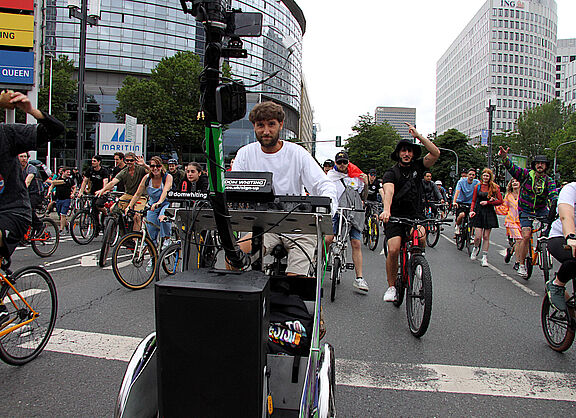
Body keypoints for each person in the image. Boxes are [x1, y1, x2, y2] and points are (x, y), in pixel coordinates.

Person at [232, 101, 337, 276]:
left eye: (271, 124)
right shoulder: (245, 153)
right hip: (262, 225)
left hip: (297, 226)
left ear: (280, 125)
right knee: (233, 258)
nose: (266, 131)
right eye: (260, 125)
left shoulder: (297, 153)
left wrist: (327, 211)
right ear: (254, 127)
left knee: (294, 280)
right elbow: (235, 189)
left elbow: (322, 184)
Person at [0, 91, 64, 324]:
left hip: (12, 211)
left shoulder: (6, 134)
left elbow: (55, 130)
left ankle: (1, 309)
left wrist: (30, 111)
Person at [380, 123, 440, 302]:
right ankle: (392, 286)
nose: (407, 154)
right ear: (398, 153)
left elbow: (436, 153)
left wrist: (419, 136)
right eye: (403, 151)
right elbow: (388, 192)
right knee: (394, 249)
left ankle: (417, 262)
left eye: (410, 151)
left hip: (415, 215)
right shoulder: (391, 173)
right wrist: (386, 211)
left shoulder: (418, 167)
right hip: (395, 216)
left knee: (421, 237)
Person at [498, 147, 558, 278]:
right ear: (534, 165)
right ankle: (521, 264)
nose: (540, 165)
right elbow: (513, 168)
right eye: (537, 163)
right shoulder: (526, 175)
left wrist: (557, 206)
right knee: (526, 235)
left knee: (551, 230)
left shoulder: (549, 181)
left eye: (542, 163)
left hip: (541, 210)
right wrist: (504, 157)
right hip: (525, 209)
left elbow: (554, 196)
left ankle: (544, 251)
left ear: (546, 166)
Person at [326, 151, 369, 292]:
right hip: (336, 212)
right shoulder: (330, 176)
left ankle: (359, 278)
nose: (342, 165)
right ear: (335, 163)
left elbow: (363, 195)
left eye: (345, 162)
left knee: (356, 243)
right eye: (339, 162)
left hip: (353, 212)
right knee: (328, 239)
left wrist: (366, 183)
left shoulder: (356, 177)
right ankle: (319, 264)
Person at [126, 156, 173, 271]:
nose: (155, 168)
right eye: (152, 166)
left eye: (157, 166)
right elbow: (137, 193)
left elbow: (166, 190)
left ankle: (167, 239)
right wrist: (129, 206)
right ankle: (153, 260)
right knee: (151, 236)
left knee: (163, 217)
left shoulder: (167, 177)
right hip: (152, 205)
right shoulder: (147, 178)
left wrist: (159, 202)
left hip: (165, 202)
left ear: (161, 167)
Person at [95, 151, 148, 231]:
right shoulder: (124, 171)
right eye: (127, 160)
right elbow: (113, 182)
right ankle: (121, 230)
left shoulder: (140, 169)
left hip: (140, 196)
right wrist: (102, 190)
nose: (129, 162)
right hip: (128, 194)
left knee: (137, 215)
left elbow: (152, 172)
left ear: (135, 161)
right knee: (113, 209)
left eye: (131, 160)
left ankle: (135, 239)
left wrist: (144, 165)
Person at [546, 182, 576, 311]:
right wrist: (571, 237)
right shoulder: (571, 189)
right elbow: (566, 216)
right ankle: (557, 284)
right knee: (574, 258)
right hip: (561, 237)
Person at [469, 168, 503, 267]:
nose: (485, 177)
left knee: (486, 237)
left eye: (487, 176)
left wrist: (489, 202)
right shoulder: (477, 187)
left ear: (490, 177)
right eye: (484, 175)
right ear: (482, 176)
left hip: (489, 212)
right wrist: (472, 211)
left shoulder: (494, 187)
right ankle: (476, 248)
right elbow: (474, 200)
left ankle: (484, 257)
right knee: (477, 236)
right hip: (479, 212)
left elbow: (500, 201)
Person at [78, 155, 110, 234]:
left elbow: (105, 182)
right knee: (93, 211)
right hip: (93, 192)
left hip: (102, 192)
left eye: (94, 161)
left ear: (99, 162)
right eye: (92, 161)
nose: (92, 162)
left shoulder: (103, 171)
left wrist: (102, 191)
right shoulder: (90, 170)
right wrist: (81, 192)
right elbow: (85, 181)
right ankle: (97, 227)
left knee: (98, 204)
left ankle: (106, 213)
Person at [18, 152, 45, 236]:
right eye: (21, 157)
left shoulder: (31, 168)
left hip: (36, 193)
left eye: (25, 157)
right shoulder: (17, 169)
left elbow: (28, 181)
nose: (24, 159)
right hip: (25, 193)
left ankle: (40, 225)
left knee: (28, 209)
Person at [500, 179, 522, 268]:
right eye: (513, 182)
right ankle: (517, 262)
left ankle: (511, 251)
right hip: (511, 221)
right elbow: (504, 208)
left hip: (522, 220)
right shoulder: (508, 196)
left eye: (517, 181)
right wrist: (495, 204)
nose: (515, 183)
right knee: (519, 240)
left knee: (522, 242)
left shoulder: (524, 195)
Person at [452, 168, 480, 237]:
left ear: (475, 176)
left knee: (472, 218)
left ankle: (471, 235)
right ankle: (457, 226)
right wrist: (454, 201)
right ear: (467, 175)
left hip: (471, 203)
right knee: (461, 215)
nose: (471, 176)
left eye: (473, 175)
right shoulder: (461, 182)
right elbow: (457, 191)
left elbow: (480, 192)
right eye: (470, 174)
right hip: (461, 202)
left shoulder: (477, 182)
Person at [48, 167, 76, 234]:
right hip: (58, 199)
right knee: (60, 215)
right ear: (63, 172)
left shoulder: (70, 180)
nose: (69, 173)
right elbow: (52, 185)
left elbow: (74, 187)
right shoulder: (58, 179)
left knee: (63, 214)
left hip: (66, 199)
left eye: (69, 172)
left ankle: (61, 229)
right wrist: (49, 192)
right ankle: (66, 224)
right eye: (67, 172)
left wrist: (73, 193)